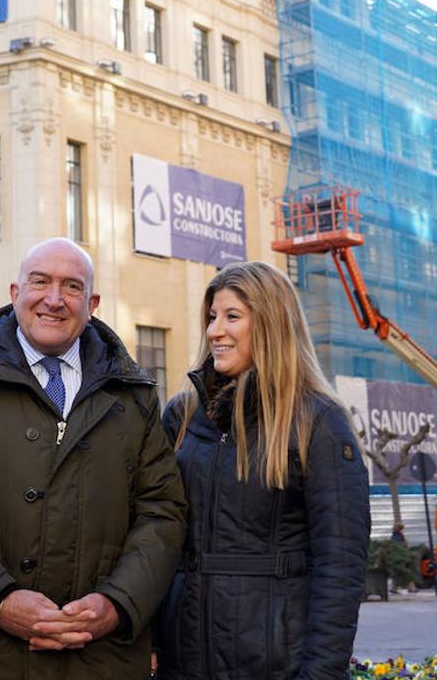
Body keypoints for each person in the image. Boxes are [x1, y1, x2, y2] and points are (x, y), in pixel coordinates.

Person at [0, 237, 187, 679]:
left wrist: (117, 603)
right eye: (40, 282)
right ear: (15, 293)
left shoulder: (134, 396)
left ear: (92, 302)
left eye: (71, 287)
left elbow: (163, 512)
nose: (54, 300)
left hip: (98, 657)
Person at [157, 261, 371, 680]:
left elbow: (341, 567)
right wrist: (149, 639)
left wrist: (321, 672)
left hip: (276, 663)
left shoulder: (319, 422)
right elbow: (155, 537)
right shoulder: (181, 416)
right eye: (212, 317)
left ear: (271, 324)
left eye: (232, 317)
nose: (215, 331)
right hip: (183, 660)